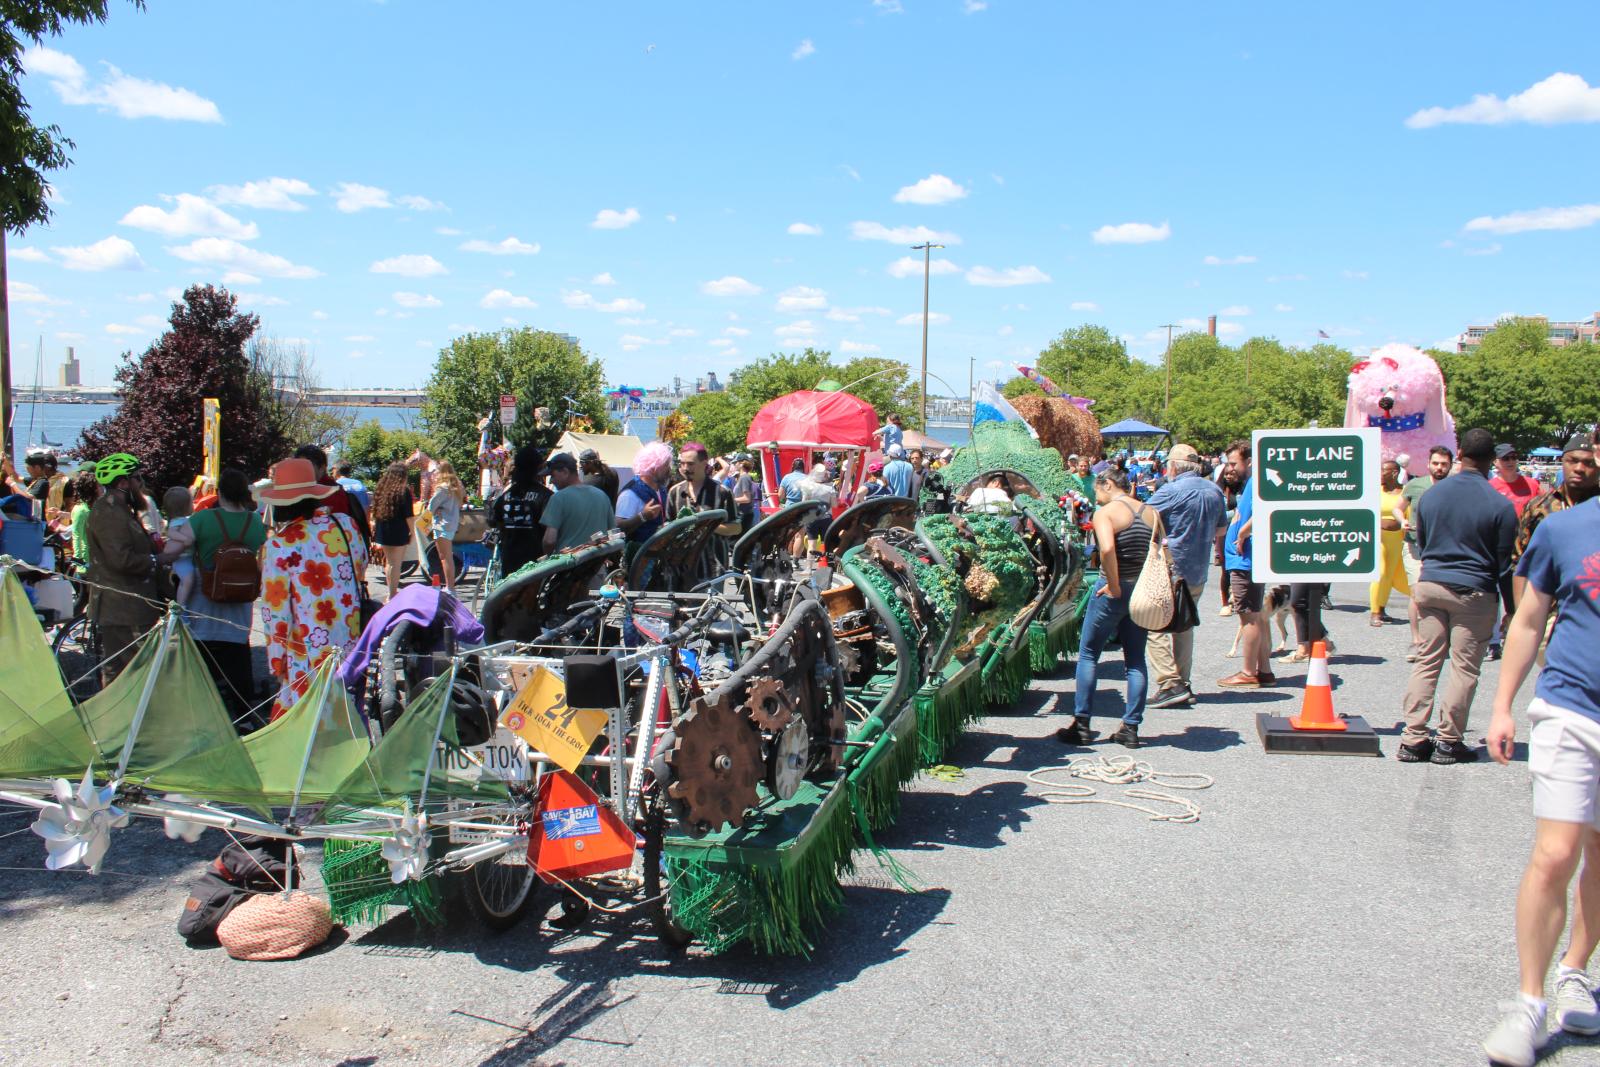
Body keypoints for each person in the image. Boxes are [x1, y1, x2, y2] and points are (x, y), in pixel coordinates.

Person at [1481, 491, 1600, 1064]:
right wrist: (1502, 705)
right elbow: (1528, 619)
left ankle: (1574, 970)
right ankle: (1529, 1003)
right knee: (1555, 854)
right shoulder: (1565, 529)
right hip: (1570, 709)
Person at [1397, 427, 1517, 764]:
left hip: (1431, 584)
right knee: (1464, 668)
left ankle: (1413, 738)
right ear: (1492, 460)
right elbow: (1504, 565)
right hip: (1473, 591)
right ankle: (1449, 740)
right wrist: (1512, 609)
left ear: (1459, 454)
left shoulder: (1431, 497)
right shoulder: (1500, 505)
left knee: (1427, 661)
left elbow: (1423, 544)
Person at [257, 457, 368, 720]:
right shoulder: (345, 525)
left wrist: (277, 662)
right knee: (348, 710)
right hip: (350, 636)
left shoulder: (279, 546)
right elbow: (361, 562)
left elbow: (275, 612)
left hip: (307, 647)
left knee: (310, 719)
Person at [1056, 469, 1154, 748]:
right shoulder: (1151, 513)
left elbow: (1108, 550)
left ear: (1108, 485)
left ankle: (1082, 725)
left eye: (1097, 491)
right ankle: (1130, 728)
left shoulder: (1106, 513)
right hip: (1140, 590)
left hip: (1112, 589)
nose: (1095, 497)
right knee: (1135, 660)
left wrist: (1113, 584)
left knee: (1088, 655)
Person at [180, 467, 267, 723]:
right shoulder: (254, 522)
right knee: (238, 659)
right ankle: (243, 715)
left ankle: (202, 716)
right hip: (240, 600)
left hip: (205, 598)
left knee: (204, 660)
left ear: (219, 493)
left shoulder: (203, 519)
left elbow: (179, 543)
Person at [1145, 443, 1227, 709]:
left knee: (1154, 625)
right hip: (1199, 570)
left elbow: (1141, 519)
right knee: (1184, 625)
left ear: (1173, 467)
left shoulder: (1170, 491)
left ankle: (1170, 683)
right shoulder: (1214, 491)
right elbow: (1221, 530)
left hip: (1172, 568)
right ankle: (1183, 682)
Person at [84, 453, 162, 685]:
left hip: (126, 605)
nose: (141, 484)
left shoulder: (120, 509)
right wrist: (156, 560)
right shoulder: (109, 513)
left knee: (121, 672)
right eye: (137, 478)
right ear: (123, 483)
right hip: (123, 606)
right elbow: (121, 559)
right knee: (135, 672)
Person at [1217, 441, 1274, 688]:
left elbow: (1265, 511)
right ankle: (1264, 671)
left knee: (1248, 618)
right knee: (1256, 616)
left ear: (1249, 461)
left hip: (1246, 559)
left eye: (1234, 463)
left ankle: (1249, 672)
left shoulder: (1256, 482)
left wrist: (1242, 533)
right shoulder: (1251, 483)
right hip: (1244, 558)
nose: (1230, 468)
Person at [1401, 446, 1453, 661]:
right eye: (1436, 463)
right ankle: (1416, 641)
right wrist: (1401, 520)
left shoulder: (1455, 487)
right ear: (1428, 464)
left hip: (1443, 548)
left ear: (1450, 465)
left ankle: (1441, 640)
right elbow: (1398, 507)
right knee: (1417, 593)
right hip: (1414, 547)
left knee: (1443, 594)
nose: (1439, 467)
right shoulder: (1415, 485)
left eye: (1444, 464)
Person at [488, 445, 552, 577]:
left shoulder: (505, 497)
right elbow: (550, 530)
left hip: (510, 562)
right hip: (536, 564)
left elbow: (493, 521)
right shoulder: (546, 496)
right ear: (538, 468)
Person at [295, 444, 371, 546]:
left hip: (327, 547)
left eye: (307, 467)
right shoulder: (303, 489)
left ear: (322, 468)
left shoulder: (333, 493)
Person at [540, 452, 615, 552]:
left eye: (552, 476)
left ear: (565, 472)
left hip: (569, 560)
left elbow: (549, 541)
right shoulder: (602, 495)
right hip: (599, 559)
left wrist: (549, 556)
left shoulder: (558, 498)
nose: (551, 481)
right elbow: (613, 532)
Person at [1368, 459, 1411, 627]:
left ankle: (1381, 608)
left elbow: (1407, 517)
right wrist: (1382, 523)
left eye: (1383, 470)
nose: (1380, 473)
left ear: (1394, 473)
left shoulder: (1405, 492)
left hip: (1397, 540)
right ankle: (1374, 612)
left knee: (1391, 575)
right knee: (1380, 572)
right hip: (1379, 539)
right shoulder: (1375, 491)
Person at [616, 442, 673, 562]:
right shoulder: (630, 493)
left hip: (658, 560)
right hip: (638, 561)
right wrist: (642, 516)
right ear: (654, 466)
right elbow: (619, 527)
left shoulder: (661, 489)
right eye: (666, 465)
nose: (669, 469)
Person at [369, 462, 416, 599]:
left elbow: (374, 510)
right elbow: (409, 515)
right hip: (399, 530)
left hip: (383, 529)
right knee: (396, 563)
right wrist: (413, 533)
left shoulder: (382, 489)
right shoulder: (403, 491)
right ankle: (392, 594)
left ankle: (391, 592)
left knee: (389, 562)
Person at [426, 460, 467, 593]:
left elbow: (431, 507)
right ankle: (450, 586)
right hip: (452, 523)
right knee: (448, 556)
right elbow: (460, 504)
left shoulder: (442, 488)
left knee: (445, 557)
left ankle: (450, 587)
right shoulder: (457, 487)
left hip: (441, 524)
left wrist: (436, 510)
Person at [159, 485, 198, 605]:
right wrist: (185, 539)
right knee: (187, 580)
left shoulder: (186, 519)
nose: (193, 505)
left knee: (189, 580)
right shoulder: (177, 521)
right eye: (191, 502)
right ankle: (181, 606)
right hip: (182, 558)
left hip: (188, 557)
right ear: (184, 506)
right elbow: (171, 533)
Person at [1491, 443, 1541, 518]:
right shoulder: (1489, 487)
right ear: (1495, 462)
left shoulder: (1532, 484)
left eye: (1513, 457)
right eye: (1505, 458)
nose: (1510, 461)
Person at [798, 464, 838, 553]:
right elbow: (835, 505)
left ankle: (809, 562)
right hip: (826, 518)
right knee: (826, 544)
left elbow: (803, 503)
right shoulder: (830, 488)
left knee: (811, 544)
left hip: (811, 517)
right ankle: (824, 561)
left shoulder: (808, 487)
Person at [731, 458, 757, 532]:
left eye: (736, 463)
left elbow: (747, 499)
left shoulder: (744, 477)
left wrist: (731, 500)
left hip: (744, 515)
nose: (734, 465)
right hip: (744, 514)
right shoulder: (744, 477)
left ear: (741, 464)